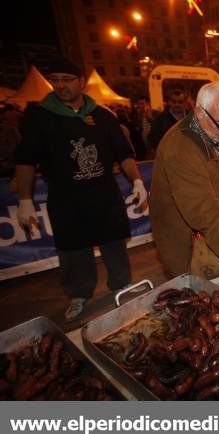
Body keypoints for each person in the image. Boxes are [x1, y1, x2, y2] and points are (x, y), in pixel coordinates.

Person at [14, 57, 148, 321]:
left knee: (115, 245)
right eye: (56, 80)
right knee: (73, 250)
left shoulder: (102, 116)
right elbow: (25, 160)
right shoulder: (40, 117)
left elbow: (124, 154)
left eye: (67, 79)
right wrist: (25, 200)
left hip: (104, 194)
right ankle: (78, 294)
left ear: (81, 82)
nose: (61, 85)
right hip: (67, 198)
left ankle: (121, 285)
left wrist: (138, 181)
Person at [149, 81, 219, 288]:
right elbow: (205, 215)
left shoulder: (215, 131)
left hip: (215, 239)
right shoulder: (180, 149)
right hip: (190, 247)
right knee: (198, 299)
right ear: (200, 113)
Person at [147, 88, 188, 153]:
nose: (177, 104)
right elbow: (153, 140)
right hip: (167, 158)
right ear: (169, 102)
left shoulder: (191, 118)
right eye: (174, 101)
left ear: (185, 103)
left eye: (180, 102)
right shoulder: (160, 120)